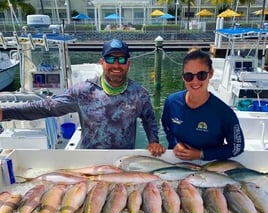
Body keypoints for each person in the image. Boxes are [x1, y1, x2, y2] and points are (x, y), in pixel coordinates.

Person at [0, 39, 165, 156]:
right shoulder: (83, 91)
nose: (116, 65)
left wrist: (153, 140)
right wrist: (6, 113)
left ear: (128, 63)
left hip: (123, 160)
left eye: (121, 59)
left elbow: (149, 120)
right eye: (110, 59)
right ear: (102, 62)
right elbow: (47, 107)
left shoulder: (139, 93)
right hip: (89, 160)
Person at [161, 48, 244, 161]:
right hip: (176, 164)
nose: (195, 81)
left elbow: (237, 147)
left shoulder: (224, 112)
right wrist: (174, 143)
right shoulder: (171, 102)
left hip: (209, 168)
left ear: (211, 74)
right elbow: (167, 126)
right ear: (183, 77)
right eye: (189, 76)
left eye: (201, 75)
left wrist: (201, 154)